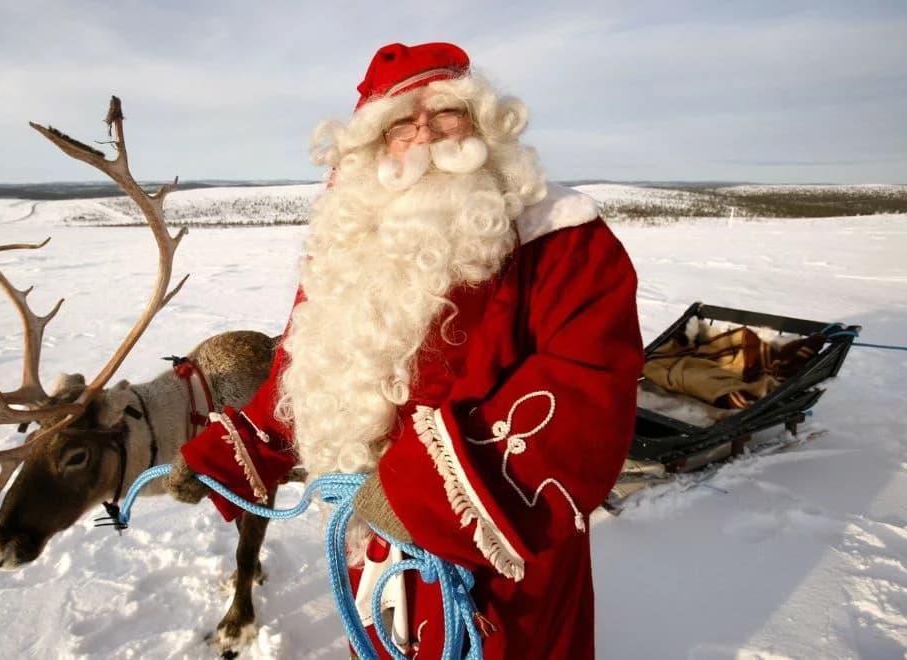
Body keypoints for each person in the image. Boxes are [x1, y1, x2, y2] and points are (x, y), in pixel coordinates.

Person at [167, 41, 643, 659]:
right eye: (401, 122)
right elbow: (306, 372)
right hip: (373, 548)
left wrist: (417, 493)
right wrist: (226, 457)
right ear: (373, 145)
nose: (424, 133)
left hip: (499, 561)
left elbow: (589, 393)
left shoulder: (565, 241)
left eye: (446, 113)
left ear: (482, 126)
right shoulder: (348, 243)